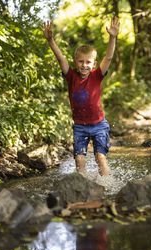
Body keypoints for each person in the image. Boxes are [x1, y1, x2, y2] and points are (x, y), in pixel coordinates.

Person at [43, 17, 120, 177]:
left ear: (93, 63)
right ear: (75, 62)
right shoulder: (71, 76)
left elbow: (109, 58)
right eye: (81, 62)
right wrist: (51, 41)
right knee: (79, 159)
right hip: (80, 127)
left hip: (99, 125)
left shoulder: (97, 75)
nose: (84, 65)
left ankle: (107, 186)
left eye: (88, 62)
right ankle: (81, 187)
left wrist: (112, 37)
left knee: (100, 157)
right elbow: (60, 58)